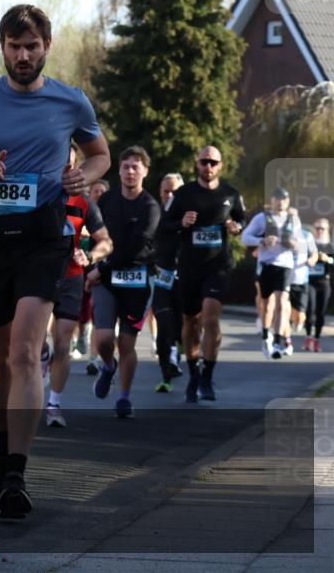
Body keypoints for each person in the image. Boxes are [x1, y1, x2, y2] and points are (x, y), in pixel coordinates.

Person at [0, 4, 110, 519]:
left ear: (47, 47)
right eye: (14, 46)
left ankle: (16, 471)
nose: (23, 55)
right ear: (3, 47)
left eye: (31, 46)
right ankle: (3, 448)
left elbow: (99, 152)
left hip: (44, 237)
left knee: (24, 351)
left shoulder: (70, 101)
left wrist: (87, 175)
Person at [159, 146, 245, 401]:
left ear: (221, 165)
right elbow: (165, 224)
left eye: (213, 162)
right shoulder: (184, 194)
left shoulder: (230, 193)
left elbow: (242, 218)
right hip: (189, 267)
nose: (208, 166)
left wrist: (236, 226)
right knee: (190, 322)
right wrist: (181, 223)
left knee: (209, 318)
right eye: (203, 162)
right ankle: (193, 374)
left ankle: (207, 376)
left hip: (218, 266)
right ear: (197, 165)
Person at [86, 146, 159, 419]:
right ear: (118, 170)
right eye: (126, 166)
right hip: (107, 280)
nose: (130, 171)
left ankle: (124, 398)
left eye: (136, 166)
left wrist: (101, 268)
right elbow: (95, 234)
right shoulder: (107, 201)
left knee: (127, 344)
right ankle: (107, 366)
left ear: (145, 171)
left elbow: (135, 249)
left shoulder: (151, 207)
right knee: (104, 339)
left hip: (137, 281)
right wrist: (91, 260)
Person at [46, 146, 111, 427]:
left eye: (70, 165)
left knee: (62, 344)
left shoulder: (84, 202)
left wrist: (91, 256)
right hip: (38, 276)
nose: (65, 171)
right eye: (59, 164)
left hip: (71, 277)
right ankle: (37, 366)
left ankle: (53, 404)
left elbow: (106, 242)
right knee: (35, 343)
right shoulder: (35, 194)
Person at [242, 188, 300, 360]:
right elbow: (245, 237)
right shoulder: (262, 218)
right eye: (278, 198)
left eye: (284, 199)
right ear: (272, 200)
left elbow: (299, 243)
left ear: (288, 201)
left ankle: (277, 340)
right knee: (267, 304)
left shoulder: (293, 219)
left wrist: (293, 244)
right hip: (267, 264)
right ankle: (266, 336)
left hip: (285, 265)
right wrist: (262, 240)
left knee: (282, 301)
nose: (281, 202)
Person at [151, 173, 186, 393]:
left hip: (185, 277)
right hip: (160, 276)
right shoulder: (154, 213)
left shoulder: (192, 216)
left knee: (182, 327)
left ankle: (179, 351)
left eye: (175, 191)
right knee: (164, 324)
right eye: (166, 191)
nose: (171, 195)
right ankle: (166, 374)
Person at [288, 224, 318, 349]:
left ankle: (297, 321)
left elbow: (314, 253)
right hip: (285, 280)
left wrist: (312, 259)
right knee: (285, 309)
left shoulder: (306, 235)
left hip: (301, 280)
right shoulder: (281, 234)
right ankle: (286, 340)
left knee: (300, 315)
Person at [305, 219, 332, 352]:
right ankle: (308, 336)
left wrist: (328, 259)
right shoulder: (310, 244)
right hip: (310, 281)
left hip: (324, 282)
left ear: (327, 230)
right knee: (310, 309)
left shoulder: (330, 246)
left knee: (320, 313)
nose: (320, 231)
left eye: (323, 229)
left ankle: (317, 339)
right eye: (317, 228)